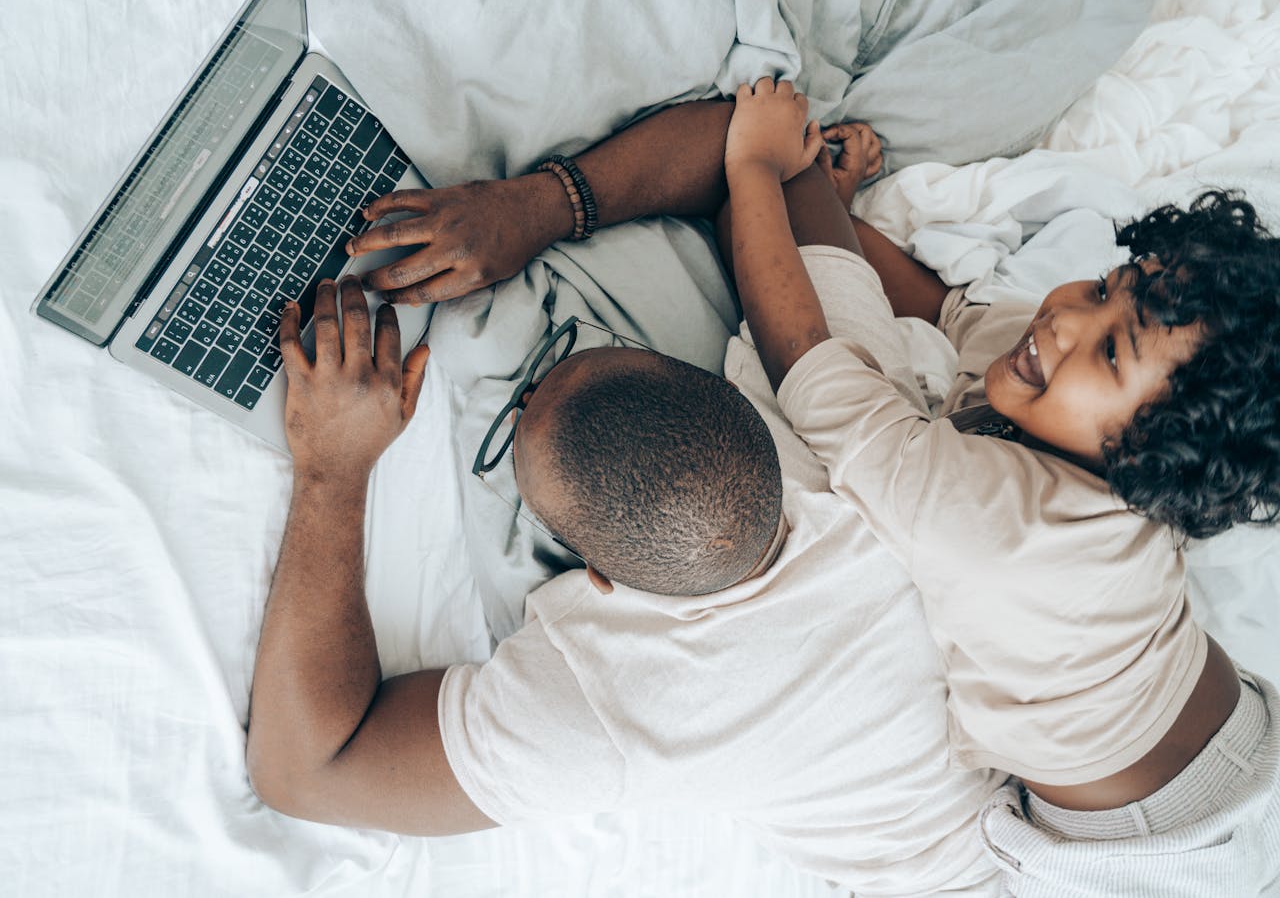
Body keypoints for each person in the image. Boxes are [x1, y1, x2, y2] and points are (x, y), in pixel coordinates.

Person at [245, 277, 1007, 896]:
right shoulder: (869, 448)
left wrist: (333, 469)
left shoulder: (613, 697)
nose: (528, 382)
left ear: (596, 576)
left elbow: (303, 768)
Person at [717, 77, 1280, 896]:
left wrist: (755, 171)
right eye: (1101, 288)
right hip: (1231, 730)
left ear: (1156, 462)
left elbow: (815, 371)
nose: (1065, 320)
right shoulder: (1064, 387)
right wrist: (837, 214)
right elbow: (947, 310)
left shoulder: (1004, 524)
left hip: (1142, 847)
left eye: (1111, 352)